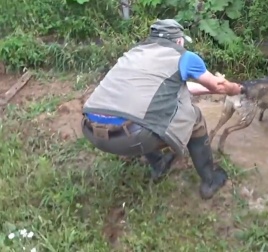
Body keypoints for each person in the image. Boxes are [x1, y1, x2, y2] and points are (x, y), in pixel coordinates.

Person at [81, 19, 242, 200]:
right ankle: (209, 180)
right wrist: (237, 89)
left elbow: (178, 88)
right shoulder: (185, 56)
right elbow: (220, 86)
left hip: (90, 129)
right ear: (179, 41)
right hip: (131, 138)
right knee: (194, 117)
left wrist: (208, 89)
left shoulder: (135, 53)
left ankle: (159, 164)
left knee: (143, 108)